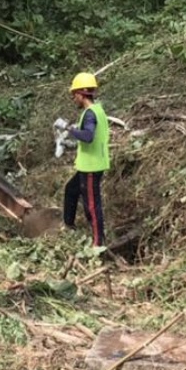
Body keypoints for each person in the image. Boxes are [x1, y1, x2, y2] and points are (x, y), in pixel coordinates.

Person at [62, 72, 110, 247]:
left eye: (74, 95)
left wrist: (70, 129)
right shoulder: (96, 111)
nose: (74, 99)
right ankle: (68, 225)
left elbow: (88, 136)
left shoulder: (90, 114)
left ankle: (98, 244)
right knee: (71, 189)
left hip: (91, 167)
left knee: (92, 206)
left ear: (82, 94)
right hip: (87, 165)